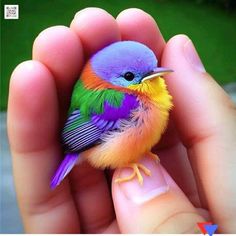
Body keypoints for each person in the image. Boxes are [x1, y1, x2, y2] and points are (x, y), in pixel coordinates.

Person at [7, 8, 236, 233]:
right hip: (91, 142)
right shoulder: (128, 100)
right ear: (116, 80)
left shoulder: (149, 89)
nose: (152, 76)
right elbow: (92, 134)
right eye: (131, 77)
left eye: (151, 69)